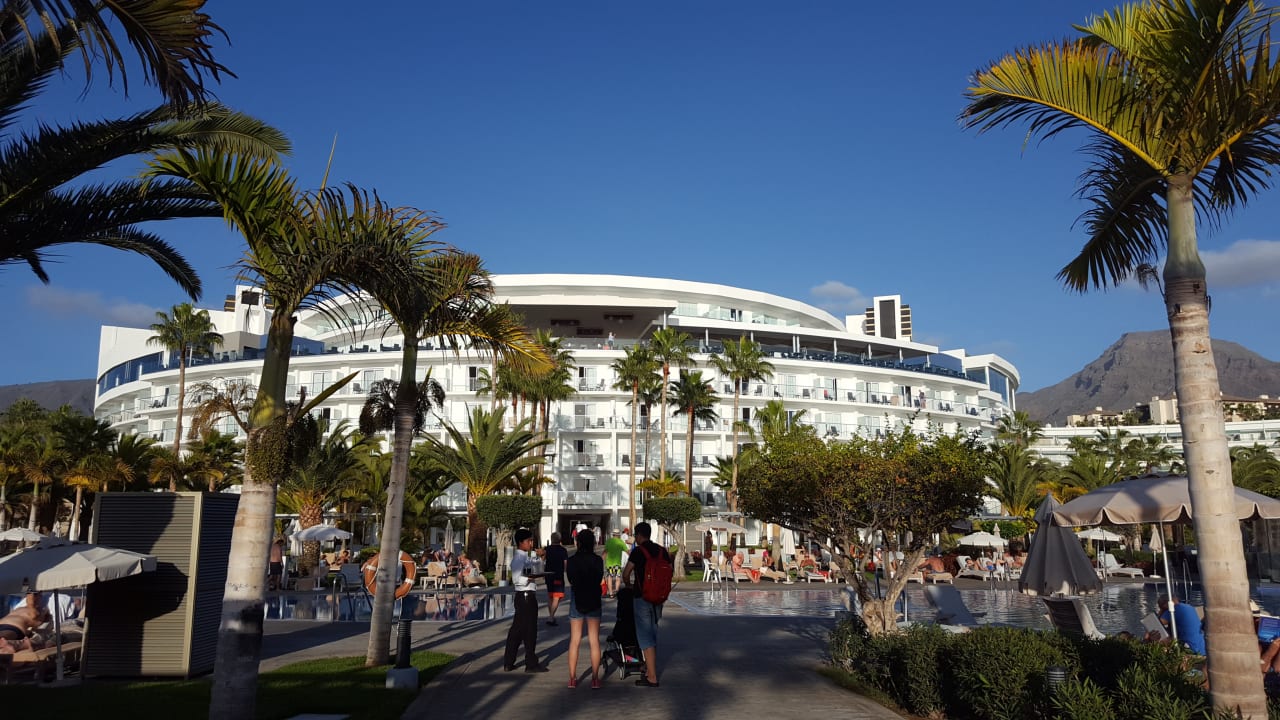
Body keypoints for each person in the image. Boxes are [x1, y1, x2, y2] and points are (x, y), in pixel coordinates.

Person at [622, 521, 669, 687]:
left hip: (642, 597)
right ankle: (648, 669)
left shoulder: (638, 552)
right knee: (653, 631)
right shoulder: (662, 551)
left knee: (645, 636)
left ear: (639, 535)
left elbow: (626, 573)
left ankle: (652, 676)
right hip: (659, 597)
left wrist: (628, 584)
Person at [503, 528, 549, 673]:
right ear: (521, 542)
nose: (531, 543)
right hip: (524, 595)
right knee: (529, 630)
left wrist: (541, 558)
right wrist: (530, 578)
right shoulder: (518, 558)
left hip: (528, 594)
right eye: (529, 541)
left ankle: (509, 661)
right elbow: (517, 579)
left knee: (517, 630)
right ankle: (530, 662)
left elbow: (537, 567)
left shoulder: (527, 556)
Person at [566, 529, 605, 689]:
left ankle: (572, 678)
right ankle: (595, 678)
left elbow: (570, 579)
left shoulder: (572, 560)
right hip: (594, 598)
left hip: (577, 598)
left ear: (578, 542)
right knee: (594, 640)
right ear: (593, 543)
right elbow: (598, 578)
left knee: (574, 640)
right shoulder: (597, 560)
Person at [544, 532, 568, 626]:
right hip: (558, 575)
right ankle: (551, 617)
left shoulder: (547, 549)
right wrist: (566, 571)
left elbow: (543, 560)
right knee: (557, 596)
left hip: (548, 574)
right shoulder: (563, 550)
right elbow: (565, 563)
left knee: (550, 596)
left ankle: (551, 617)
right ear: (560, 539)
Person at [605, 529, 627, 597]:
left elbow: (605, 552)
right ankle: (617, 592)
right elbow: (627, 551)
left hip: (609, 563)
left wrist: (600, 560)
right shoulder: (621, 542)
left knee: (610, 577)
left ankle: (611, 593)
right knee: (618, 577)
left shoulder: (608, 541)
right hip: (617, 563)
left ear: (613, 534)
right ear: (618, 535)